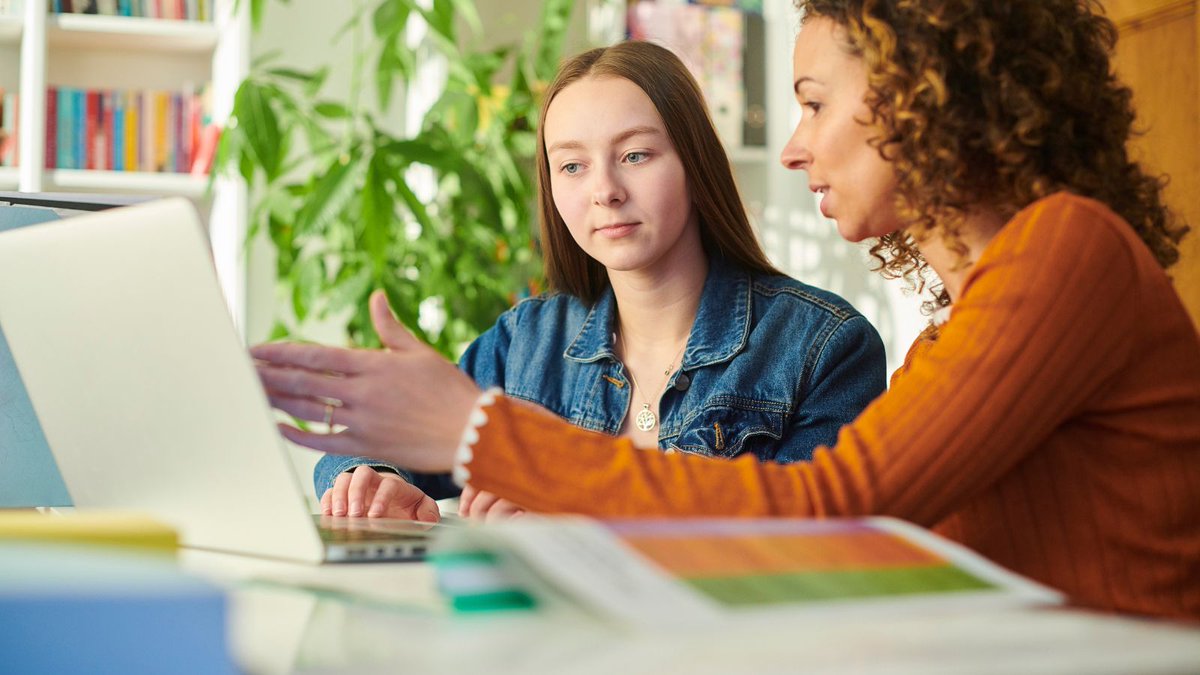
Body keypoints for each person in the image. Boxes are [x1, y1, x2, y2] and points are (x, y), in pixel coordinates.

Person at [252, 0, 1200, 619]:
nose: (794, 148)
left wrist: (480, 432)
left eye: (815, 102)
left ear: (925, 96)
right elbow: (871, 562)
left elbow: (823, 515)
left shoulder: (1065, 249)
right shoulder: (966, 319)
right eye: (571, 165)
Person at [297, 40, 886, 523]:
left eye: (634, 155)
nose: (604, 190)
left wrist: (577, 523)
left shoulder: (820, 347)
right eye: (572, 165)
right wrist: (370, 481)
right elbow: (373, 440)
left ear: (694, 162)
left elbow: (810, 549)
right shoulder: (528, 341)